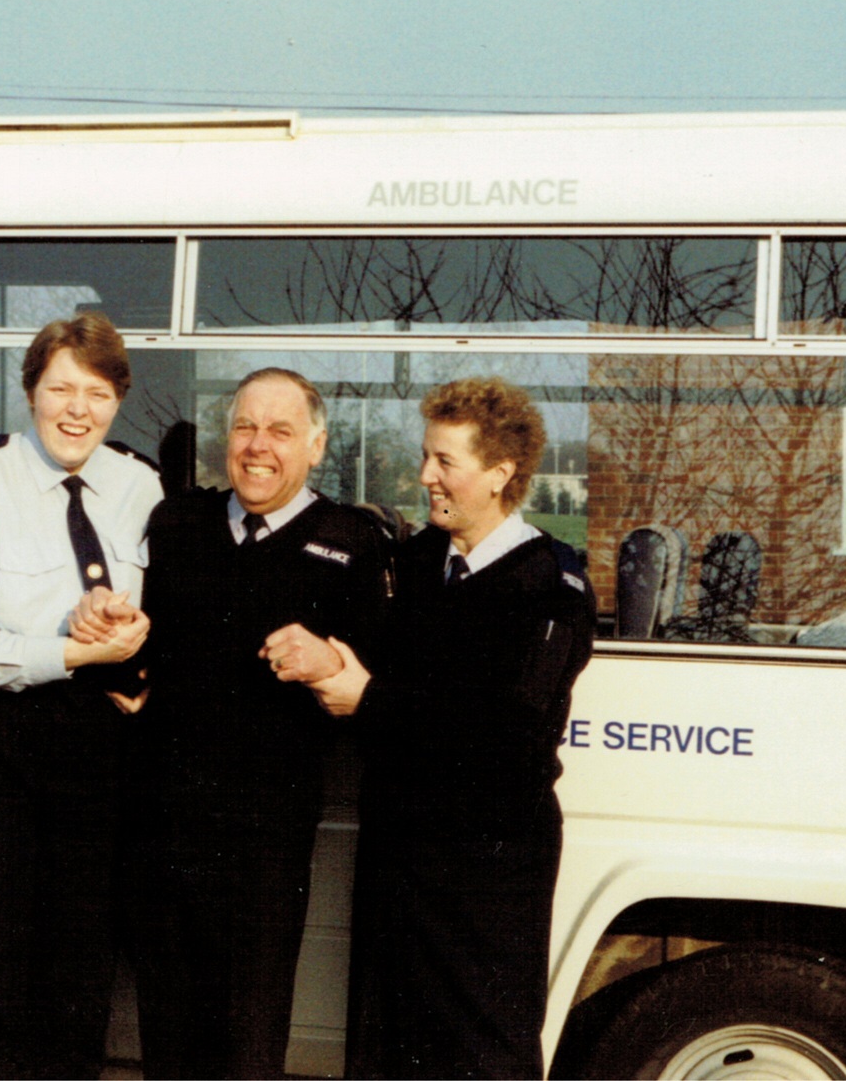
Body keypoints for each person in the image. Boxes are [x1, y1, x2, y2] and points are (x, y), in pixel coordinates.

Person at [271, 377, 597, 1080]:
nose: (425, 476)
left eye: (444, 462)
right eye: (426, 457)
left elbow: (509, 733)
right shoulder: (415, 566)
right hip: (399, 857)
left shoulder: (550, 585)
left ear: (500, 474)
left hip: (488, 868)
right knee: (384, 1048)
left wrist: (371, 699)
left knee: (480, 1050)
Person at [74, 367, 389, 1079]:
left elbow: (374, 699)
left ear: (315, 445)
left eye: (279, 431)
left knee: (246, 1044)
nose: (257, 446)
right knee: (166, 1037)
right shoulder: (178, 523)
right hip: (160, 829)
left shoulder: (350, 543)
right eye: (244, 426)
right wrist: (118, 659)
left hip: (261, 847)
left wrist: (329, 665)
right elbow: (138, 648)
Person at [0, 313, 163, 1080]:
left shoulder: (139, 484)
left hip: (91, 739)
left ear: (118, 399)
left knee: (78, 968)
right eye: (59, 388)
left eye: (96, 391)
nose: (76, 409)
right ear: (30, 393)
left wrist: (134, 659)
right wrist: (63, 651)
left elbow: (155, 612)